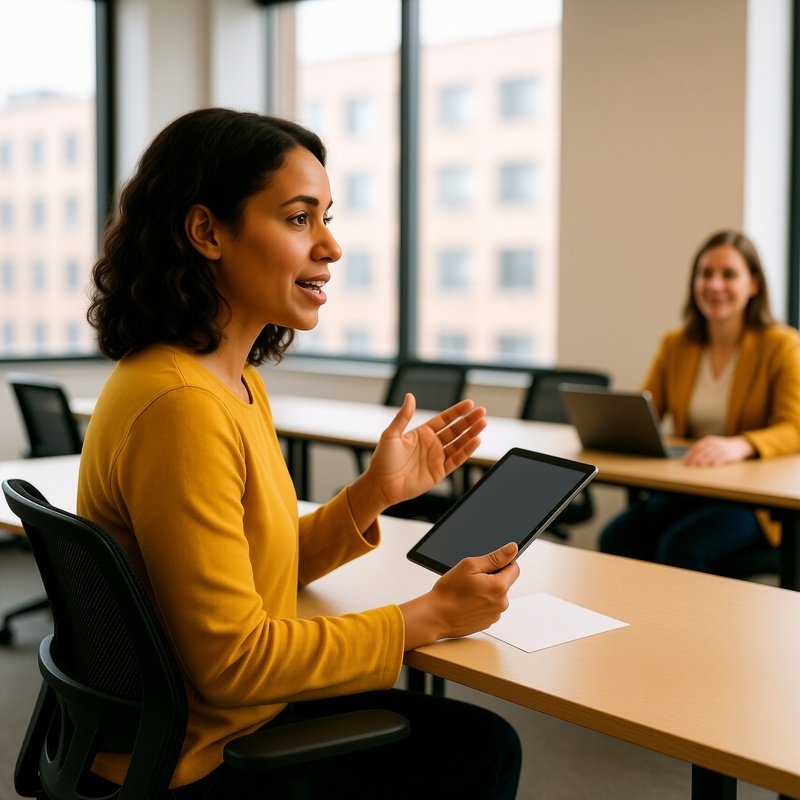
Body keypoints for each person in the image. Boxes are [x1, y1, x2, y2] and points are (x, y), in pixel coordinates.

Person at [77, 108, 522, 798]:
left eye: (328, 217)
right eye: (298, 219)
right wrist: (426, 616)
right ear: (207, 232)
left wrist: (372, 494)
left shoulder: (228, 379)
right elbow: (234, 661)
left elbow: (262, 566)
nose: (331, 248)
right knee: (482, 749)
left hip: (208, 723)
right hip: (204, 756)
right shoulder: (182, 405)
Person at [599, 229, 800, 573]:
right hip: (693, 487)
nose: (714, 285)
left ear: (753, 284)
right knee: (617, 538)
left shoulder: (781, 345)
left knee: (682, 547)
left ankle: (677, 627)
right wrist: (611, 425)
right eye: (705, 273)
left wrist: (742, 445)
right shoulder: (677, 344)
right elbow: (648, 411)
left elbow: (794, 427)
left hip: (753, 503)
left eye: (729, 274)